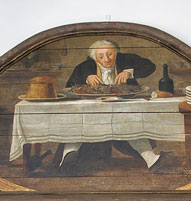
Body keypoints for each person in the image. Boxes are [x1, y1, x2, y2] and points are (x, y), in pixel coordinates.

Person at [59, 40, 163, 172]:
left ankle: (151, 159)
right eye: (101, 56)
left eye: (110, 54)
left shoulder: (125, 59)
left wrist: (129, 72)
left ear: (116, 53)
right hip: (93, 110)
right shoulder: (85, 67)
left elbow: (150, 66)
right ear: (94, 57)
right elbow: (70, 86)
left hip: (123, 107)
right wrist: (86, 78)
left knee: (132, 124)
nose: (106, 59)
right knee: (78, 122)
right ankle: (68, 156)